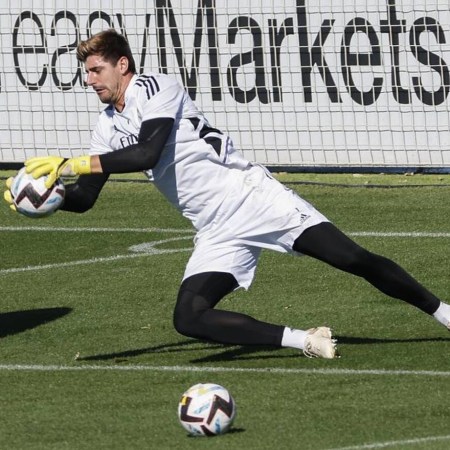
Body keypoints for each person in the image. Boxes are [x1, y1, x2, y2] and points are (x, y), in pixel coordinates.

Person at [5, 29, 450, 359]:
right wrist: (46, 198)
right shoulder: (106, 125)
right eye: (86, 72)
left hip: (254, 198)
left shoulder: (156, 88)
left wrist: (71, 163)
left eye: (96, 70)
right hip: (215, 229)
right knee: (189, 317)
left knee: (352, 258)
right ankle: (303, 340)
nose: (89, 80)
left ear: (122, 65)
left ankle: (442, 312)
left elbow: (147, 152)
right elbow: (86, 197)